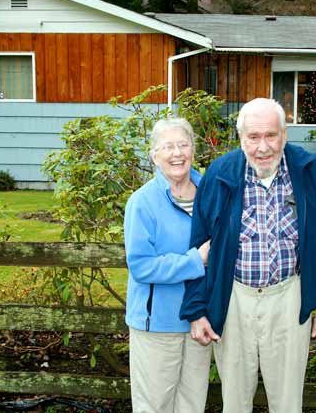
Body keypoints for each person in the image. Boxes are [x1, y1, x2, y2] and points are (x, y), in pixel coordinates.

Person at [180, 98, 316, 413]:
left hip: (289, 297)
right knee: (235, 401)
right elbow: (197, 245)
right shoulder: (219, 174)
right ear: (240, 137)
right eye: (253, 137)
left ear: (284, 135)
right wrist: (196, 310)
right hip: (234, 299)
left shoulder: (311, 172)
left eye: (271, 135)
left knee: (287, 402)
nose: (263, 147)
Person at [124, 118, 212, 413]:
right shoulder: (142, 202)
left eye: (183, 145)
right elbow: (142, 267)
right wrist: (195, 261)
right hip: (158, 324)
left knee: (192, 404)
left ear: (193, 149)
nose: (177, 153)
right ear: (154, 155)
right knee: (155, 406)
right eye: (168, 147)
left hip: (200, 323)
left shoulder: (210, 194)